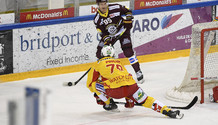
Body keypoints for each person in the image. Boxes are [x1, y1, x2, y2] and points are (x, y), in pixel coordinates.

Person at [86, 45, 184, 119]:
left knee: (95, 84)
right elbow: (123, 80)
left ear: (102, 54)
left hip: (114, 92)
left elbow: (90, 84)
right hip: (132, 87)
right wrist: (129, 100)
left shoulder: (97, 64)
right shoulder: (118, 62)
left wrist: (101, 97)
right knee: (146, 100)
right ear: (113, 55)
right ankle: (168, 111)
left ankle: (109, 104)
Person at [94, 0, 144, 84]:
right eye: (101, 4)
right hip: (110, 36)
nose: (103, 6)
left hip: (122, 31)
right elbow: (101, 32)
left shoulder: (116, 7)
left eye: (104, 3)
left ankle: (138, 71)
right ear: (98, 5)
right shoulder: (97, 19)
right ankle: (102, 74)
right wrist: (106, 39)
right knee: (100, 54)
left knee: (128, 52)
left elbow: (127, 11)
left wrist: (128, 19)